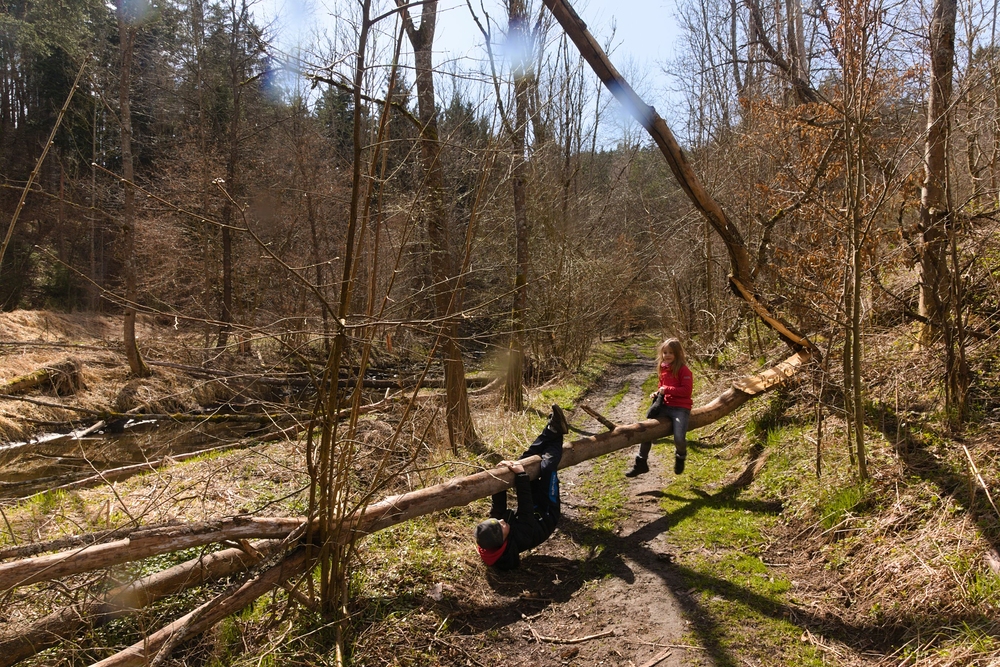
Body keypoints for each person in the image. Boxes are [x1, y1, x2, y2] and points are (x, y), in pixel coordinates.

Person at [474, 405, 569, 570]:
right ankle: (557, 435)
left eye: (497, 521)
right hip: (547, 512)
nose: (502, 520)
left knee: (523, 461)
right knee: (547, 468)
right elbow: (525, 506)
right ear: (502, 540)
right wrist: (521, 476)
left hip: (533, 507)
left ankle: (552, 429)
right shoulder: (521, 537)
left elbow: (498, 505)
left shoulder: (496, 530)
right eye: (501, 526)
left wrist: (500, 473)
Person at [625, 338, 693, 478]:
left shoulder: (684, 370)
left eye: (671, 353)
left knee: (679, 438)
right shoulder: (663, 368)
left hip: (680, 408)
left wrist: (666, 389)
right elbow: (662, 387)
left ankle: (680, 456)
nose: (667, 355)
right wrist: (657, 393)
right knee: (646, 431)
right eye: (665, 352)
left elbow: (686, 390)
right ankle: (641, 462)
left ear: (678, 354)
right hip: (665, 406)